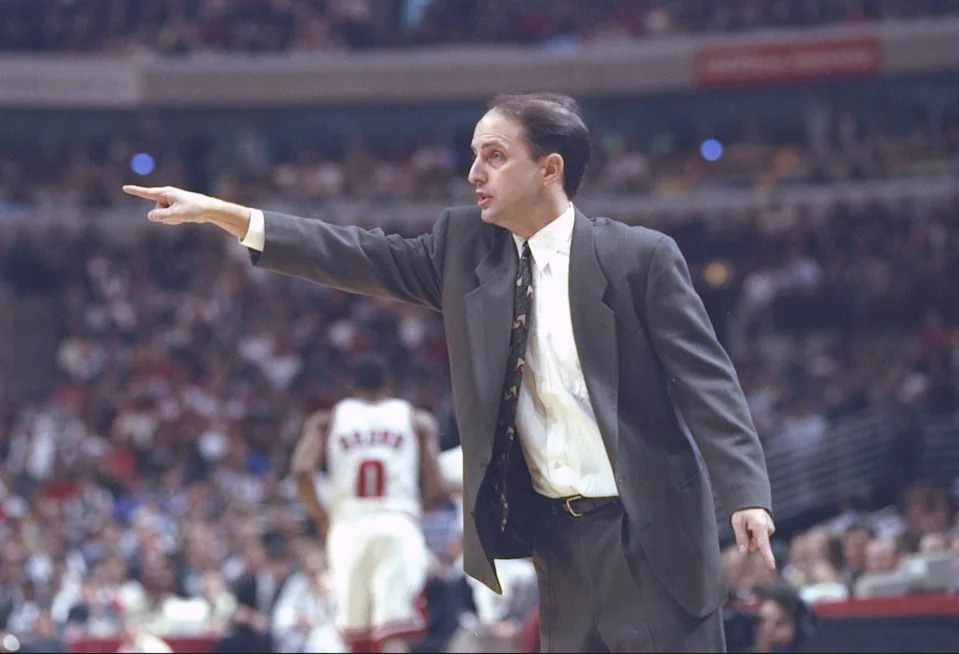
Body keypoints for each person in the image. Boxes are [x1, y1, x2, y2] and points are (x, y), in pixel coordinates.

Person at [122, 91, 776, 652]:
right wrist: (225, 214)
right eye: (473, 154)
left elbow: (707, 381)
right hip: (558, 541)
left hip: (652, 531)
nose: (473, 173)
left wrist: (746, 492)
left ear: (549, 168)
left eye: (494, 155)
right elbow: (357, 254)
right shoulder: (466, 251)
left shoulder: (639, 257)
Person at [289, 354, 447, 653]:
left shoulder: (328, 420)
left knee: (356, 636)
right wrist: (421, 507)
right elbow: (436, 484)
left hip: (348, 526)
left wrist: (322, 516)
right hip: (396, 523)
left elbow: (300, 471)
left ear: (352, 387)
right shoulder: (416, 419)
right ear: (389, 385)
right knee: (394, 630)